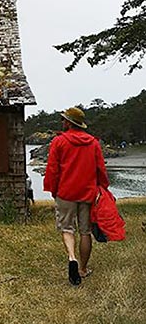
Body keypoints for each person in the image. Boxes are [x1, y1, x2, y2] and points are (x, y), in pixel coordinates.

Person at [43, 106, 109, 286]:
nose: (62, 122)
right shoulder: (93, 143)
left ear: (69, 123)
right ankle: (83, 269)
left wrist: (53, 190)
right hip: (87, 193)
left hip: (66, 192)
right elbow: (100, 169)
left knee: (67, 229)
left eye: (63, 120)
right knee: (85, 231)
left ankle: (72, 258)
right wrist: (103, 187)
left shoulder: (59, 141)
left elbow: (53, 169)